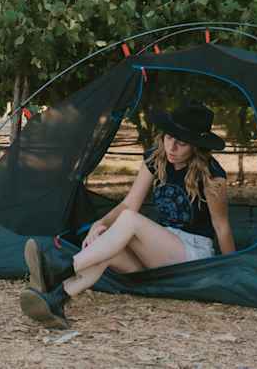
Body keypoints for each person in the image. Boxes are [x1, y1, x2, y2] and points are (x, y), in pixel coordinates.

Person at [18, 101, 235, 329]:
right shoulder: (156, 157)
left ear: (196, 146)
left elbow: (221, 226)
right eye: (169, 138)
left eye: (181, 143)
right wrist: (99, 224)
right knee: (107, 243)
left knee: (130, 221)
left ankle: (60, 268)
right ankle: (57, 299)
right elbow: (130, 203)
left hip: (192, 254)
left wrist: (233, 270)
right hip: (159, 249)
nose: (172, 147)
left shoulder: (212, 174)